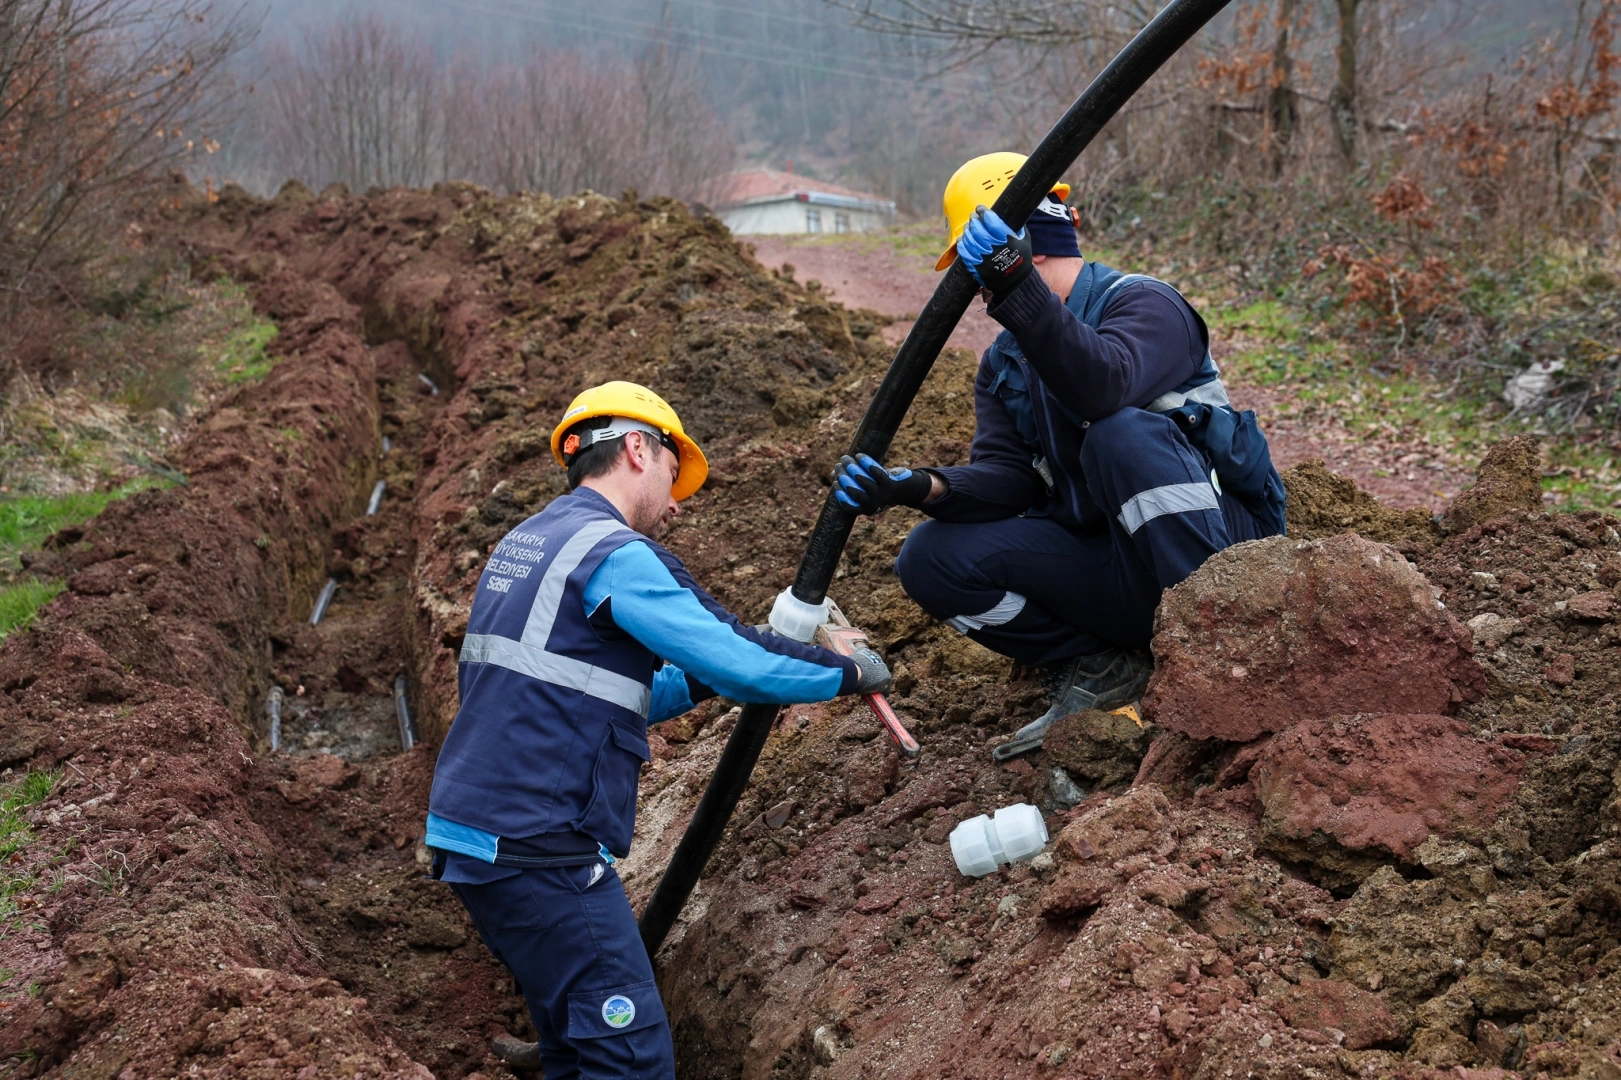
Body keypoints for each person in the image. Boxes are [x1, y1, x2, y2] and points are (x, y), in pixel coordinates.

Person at [425, 381, 891, 1079]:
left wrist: (701, 674)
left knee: (573, 1042)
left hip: (476, 835)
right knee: (630, 1056)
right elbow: (740, 661)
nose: (676, 504)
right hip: (538, 847)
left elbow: (587, 692)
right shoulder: (612, 552)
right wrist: (848, 672)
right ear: (638, 450)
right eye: (674, 476)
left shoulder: (531, 541)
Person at [832, 152, 1286, 762]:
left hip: (1229, 558)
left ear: (1022, 244)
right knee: (931, 558)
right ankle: (1104, 669)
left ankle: (1222, 651)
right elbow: (1010, 480)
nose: (974, 288)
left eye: (974, 266)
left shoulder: (1146, 304)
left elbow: (1104, 384)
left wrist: (1015, 283)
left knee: (1119, 436)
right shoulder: (1005, 361)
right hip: (1122, 568)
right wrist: (918, 488)